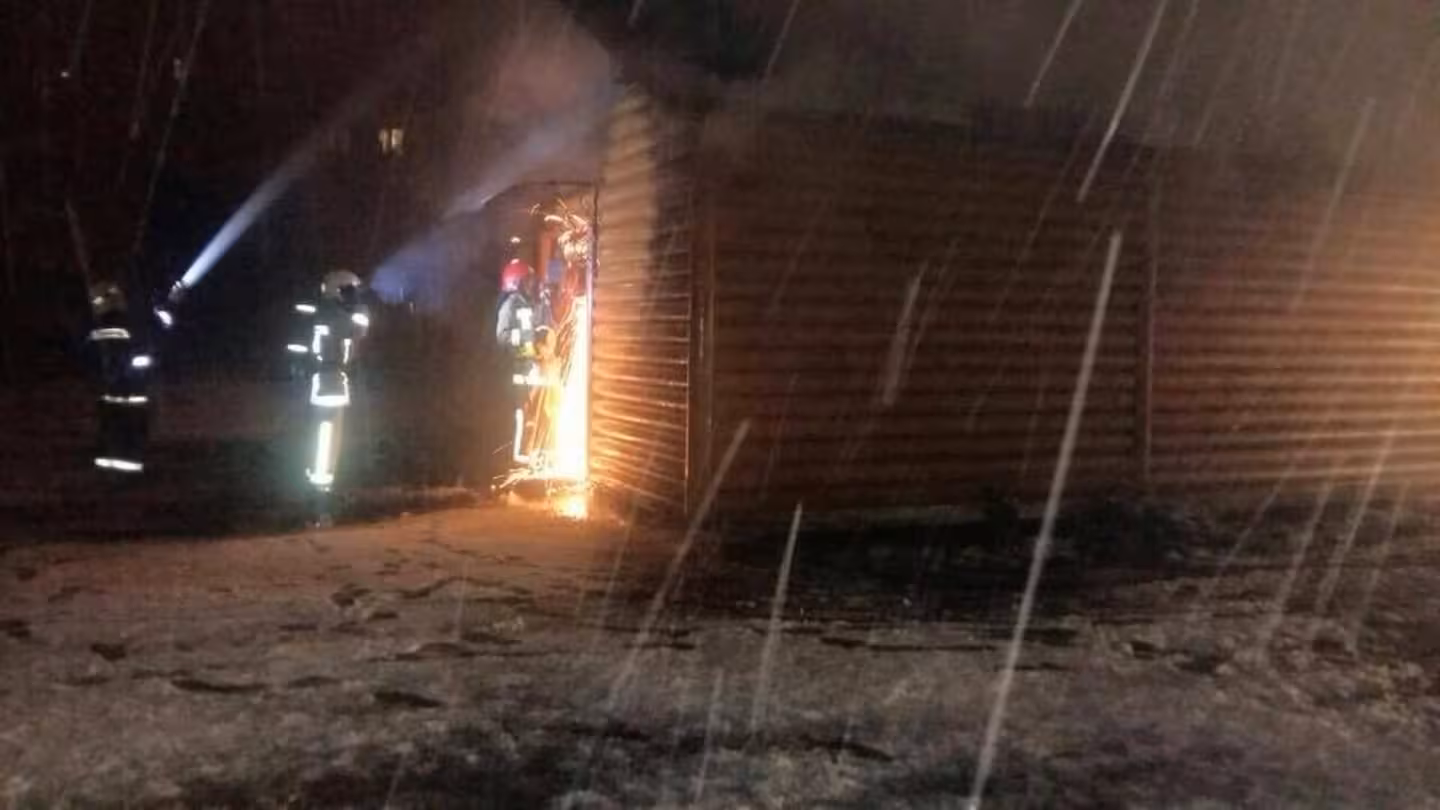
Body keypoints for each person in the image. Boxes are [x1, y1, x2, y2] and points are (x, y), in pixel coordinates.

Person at [290, 270, 370, 496]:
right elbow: (358, 331)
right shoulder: (336, 315)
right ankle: (322, 482)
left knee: (322, 429)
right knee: (328, 431)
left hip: (324, 378)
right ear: (338, 290)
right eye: (349, 291)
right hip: (332, 381)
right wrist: (361, 311)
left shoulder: (322, 313)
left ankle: (319, 479)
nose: (352, 296)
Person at [87, 282, 155, 475]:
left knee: (110, 434)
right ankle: (128, 473)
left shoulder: (96, 333)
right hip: (132, 397)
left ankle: (109, 470)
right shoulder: (128, 330)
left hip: (108, 397)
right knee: (130, 436)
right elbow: (142, 358)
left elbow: (91, 363)